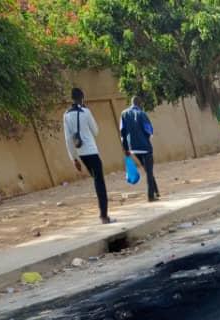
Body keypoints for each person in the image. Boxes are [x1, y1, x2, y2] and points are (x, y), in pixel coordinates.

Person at [63, 87, 111, 224]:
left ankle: (103, 214)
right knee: (99, 182)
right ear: (82, 98)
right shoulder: (86, 112)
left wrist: (74, 159)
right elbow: (95, 131)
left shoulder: (66, 115)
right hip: (92, 151)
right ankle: (104, 216)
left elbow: (68, 139)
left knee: (96, 180)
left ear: (72, 99)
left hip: (81, 154)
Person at [120, 96, 160, 202]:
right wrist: (146, 138)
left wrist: (125, 148)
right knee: (149, 171)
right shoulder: (142, 114)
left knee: (148, 170)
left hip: (133, 148)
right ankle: (151, 196)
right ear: (140, 104)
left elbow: (122, 133)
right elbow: (149, 130)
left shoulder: (123, 114)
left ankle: (156, 191)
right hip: (145, 147)